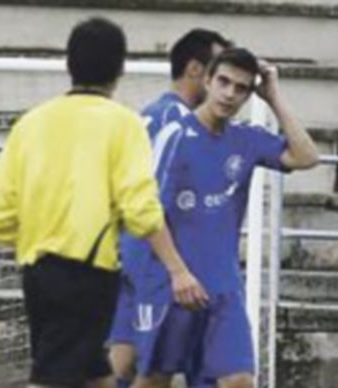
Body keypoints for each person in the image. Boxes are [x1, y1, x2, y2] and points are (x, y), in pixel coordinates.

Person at [0, 17, 206, 388]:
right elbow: (141, 209)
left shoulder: (32, 122)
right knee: (51, 377)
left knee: (94, 374)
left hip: (36, 271)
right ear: (120, 69)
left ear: (69, 64)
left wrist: (34, 236)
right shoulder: (123, 124)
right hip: (88, 270)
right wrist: (177, 267)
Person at [131, 48, 319, 388]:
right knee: (154, 380)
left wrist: (274, 98)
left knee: (239, 381)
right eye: (224, 82)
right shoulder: (175, 135)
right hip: (172, 286)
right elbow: (147, 210)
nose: (230, 93)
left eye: (241, 88)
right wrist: (178, 272)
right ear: (207, 80)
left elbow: (306, 156)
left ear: (249, 94)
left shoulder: (245, 138)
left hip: (223, 290)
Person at [107, 28, 230, 387]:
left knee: (123, 359)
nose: (223, 86)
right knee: (156, 368)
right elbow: (159, 197)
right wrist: (178, 266)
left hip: (133, 250)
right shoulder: (179, 122)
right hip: (157, 259)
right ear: (195, 69)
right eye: (217, 72)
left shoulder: (150, 113)